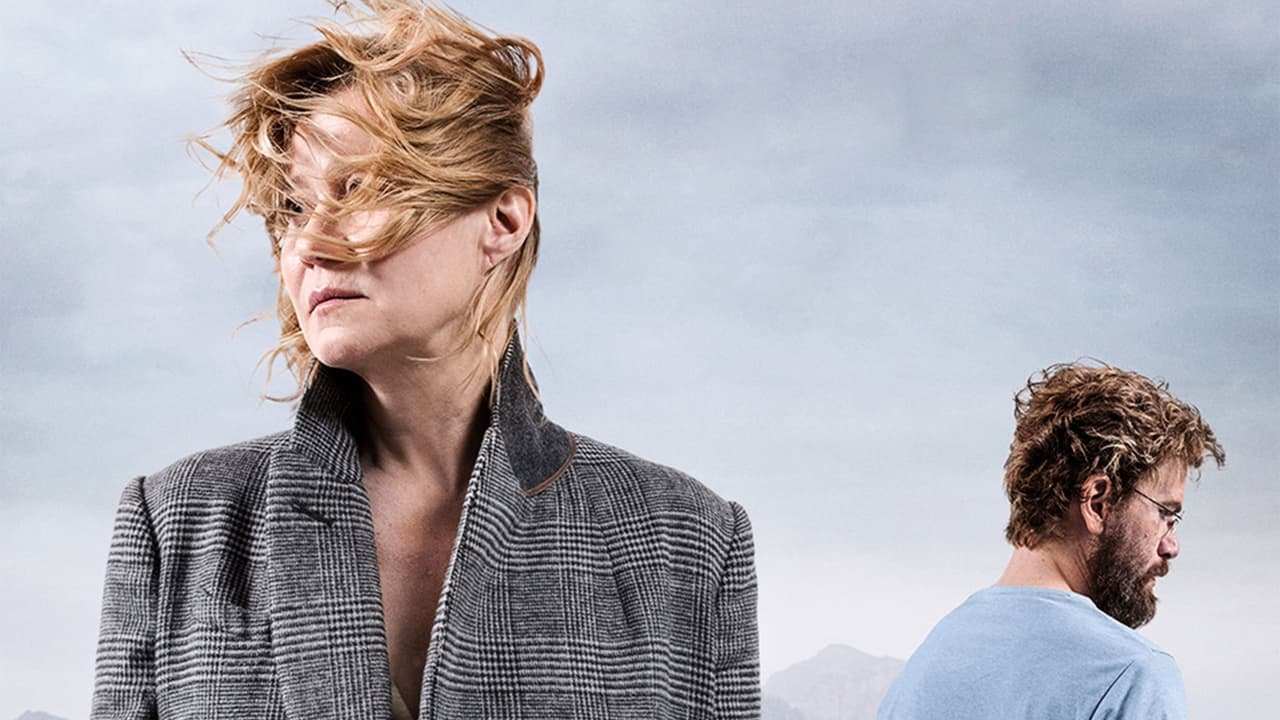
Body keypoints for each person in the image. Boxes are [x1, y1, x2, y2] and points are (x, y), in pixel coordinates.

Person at [90, 2, 759, 718]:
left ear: (503, 220)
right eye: (291, 208)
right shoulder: (179, 521)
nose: (308, 243)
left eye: (360, 189)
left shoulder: (688, 538)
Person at [877, 362, 1224, 720]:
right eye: (1165, 514)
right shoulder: (1131, 678)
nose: (1171, 546)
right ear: (1098, 503)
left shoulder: (924, 668)